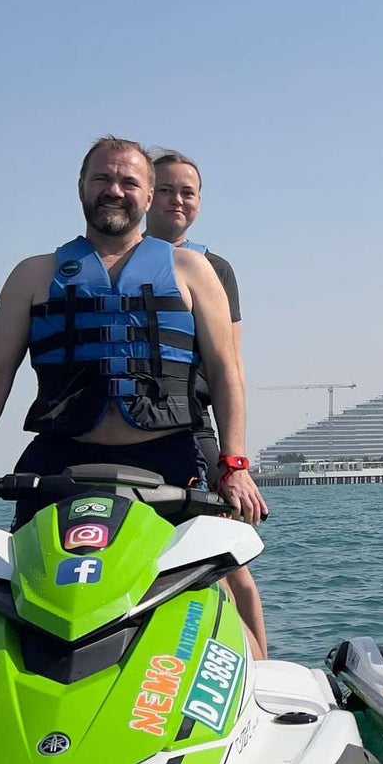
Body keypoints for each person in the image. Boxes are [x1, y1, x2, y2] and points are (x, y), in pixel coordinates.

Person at [0, 137, 268, 570]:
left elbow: (227, 371)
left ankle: (249, 641)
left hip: (171, 458)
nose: (114, 190)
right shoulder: (33, 275)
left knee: (216, 582)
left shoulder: (192, 271)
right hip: (60, 461)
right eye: (102, 178)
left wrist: (234, 464)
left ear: (148, 196)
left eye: (128, 182)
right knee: (22, 590)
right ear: (81, 187)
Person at [144, 148, 270, 659]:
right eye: (167, 190)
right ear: (146, 196)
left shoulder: (213, 268)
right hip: (129, 433)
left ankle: (263, 671)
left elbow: (229, 367)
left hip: (193, 430)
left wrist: (232, 461)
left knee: (227, 560)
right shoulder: (103, 265)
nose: (178, 200)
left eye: (188, 192)